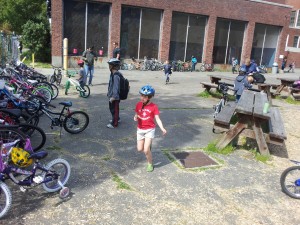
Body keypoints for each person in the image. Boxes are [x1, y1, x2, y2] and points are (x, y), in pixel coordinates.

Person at [134, 85, 167, 172]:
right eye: (141, 95)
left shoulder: (154, 107)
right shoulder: (138, 104)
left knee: (146, 150)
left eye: (145, 96)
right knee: (139, 149)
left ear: (149, 97)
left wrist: (162, 128)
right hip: (140, 130)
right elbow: (137, 114)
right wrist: (135, 117)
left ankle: (150, 163)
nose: (142, 98)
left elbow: (157, 119)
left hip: (150, 129)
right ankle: (147, 145)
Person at [107, 58, 122, 129]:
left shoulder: (116, 75)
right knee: (114, 109)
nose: (109, 66)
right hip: (113, 95)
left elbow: (115, 87)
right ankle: (117, 118)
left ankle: (114, 123)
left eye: (110, 65)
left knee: (114, 110)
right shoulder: (112, 73)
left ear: (113, 66)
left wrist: (113, 97)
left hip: (115, 97)